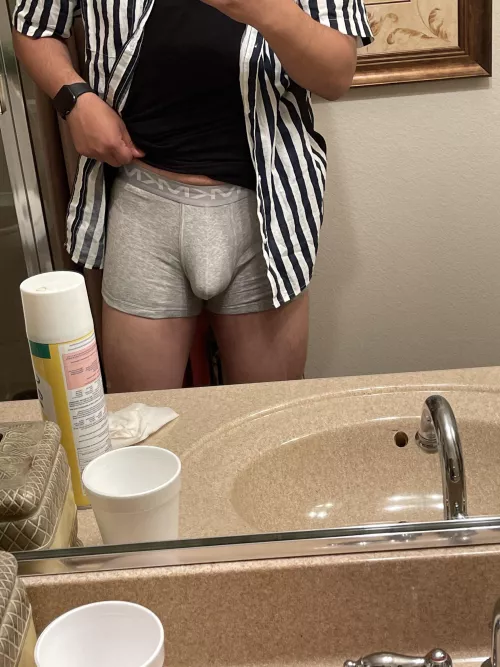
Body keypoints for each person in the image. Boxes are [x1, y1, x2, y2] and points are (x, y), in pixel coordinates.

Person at [12, 0, 373, 391]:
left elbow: (336, 76)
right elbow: (33, 26)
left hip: (269, 208)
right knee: (140, 421)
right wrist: (74, 100)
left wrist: (263, 9)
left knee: (268, 417)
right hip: (141, 203)